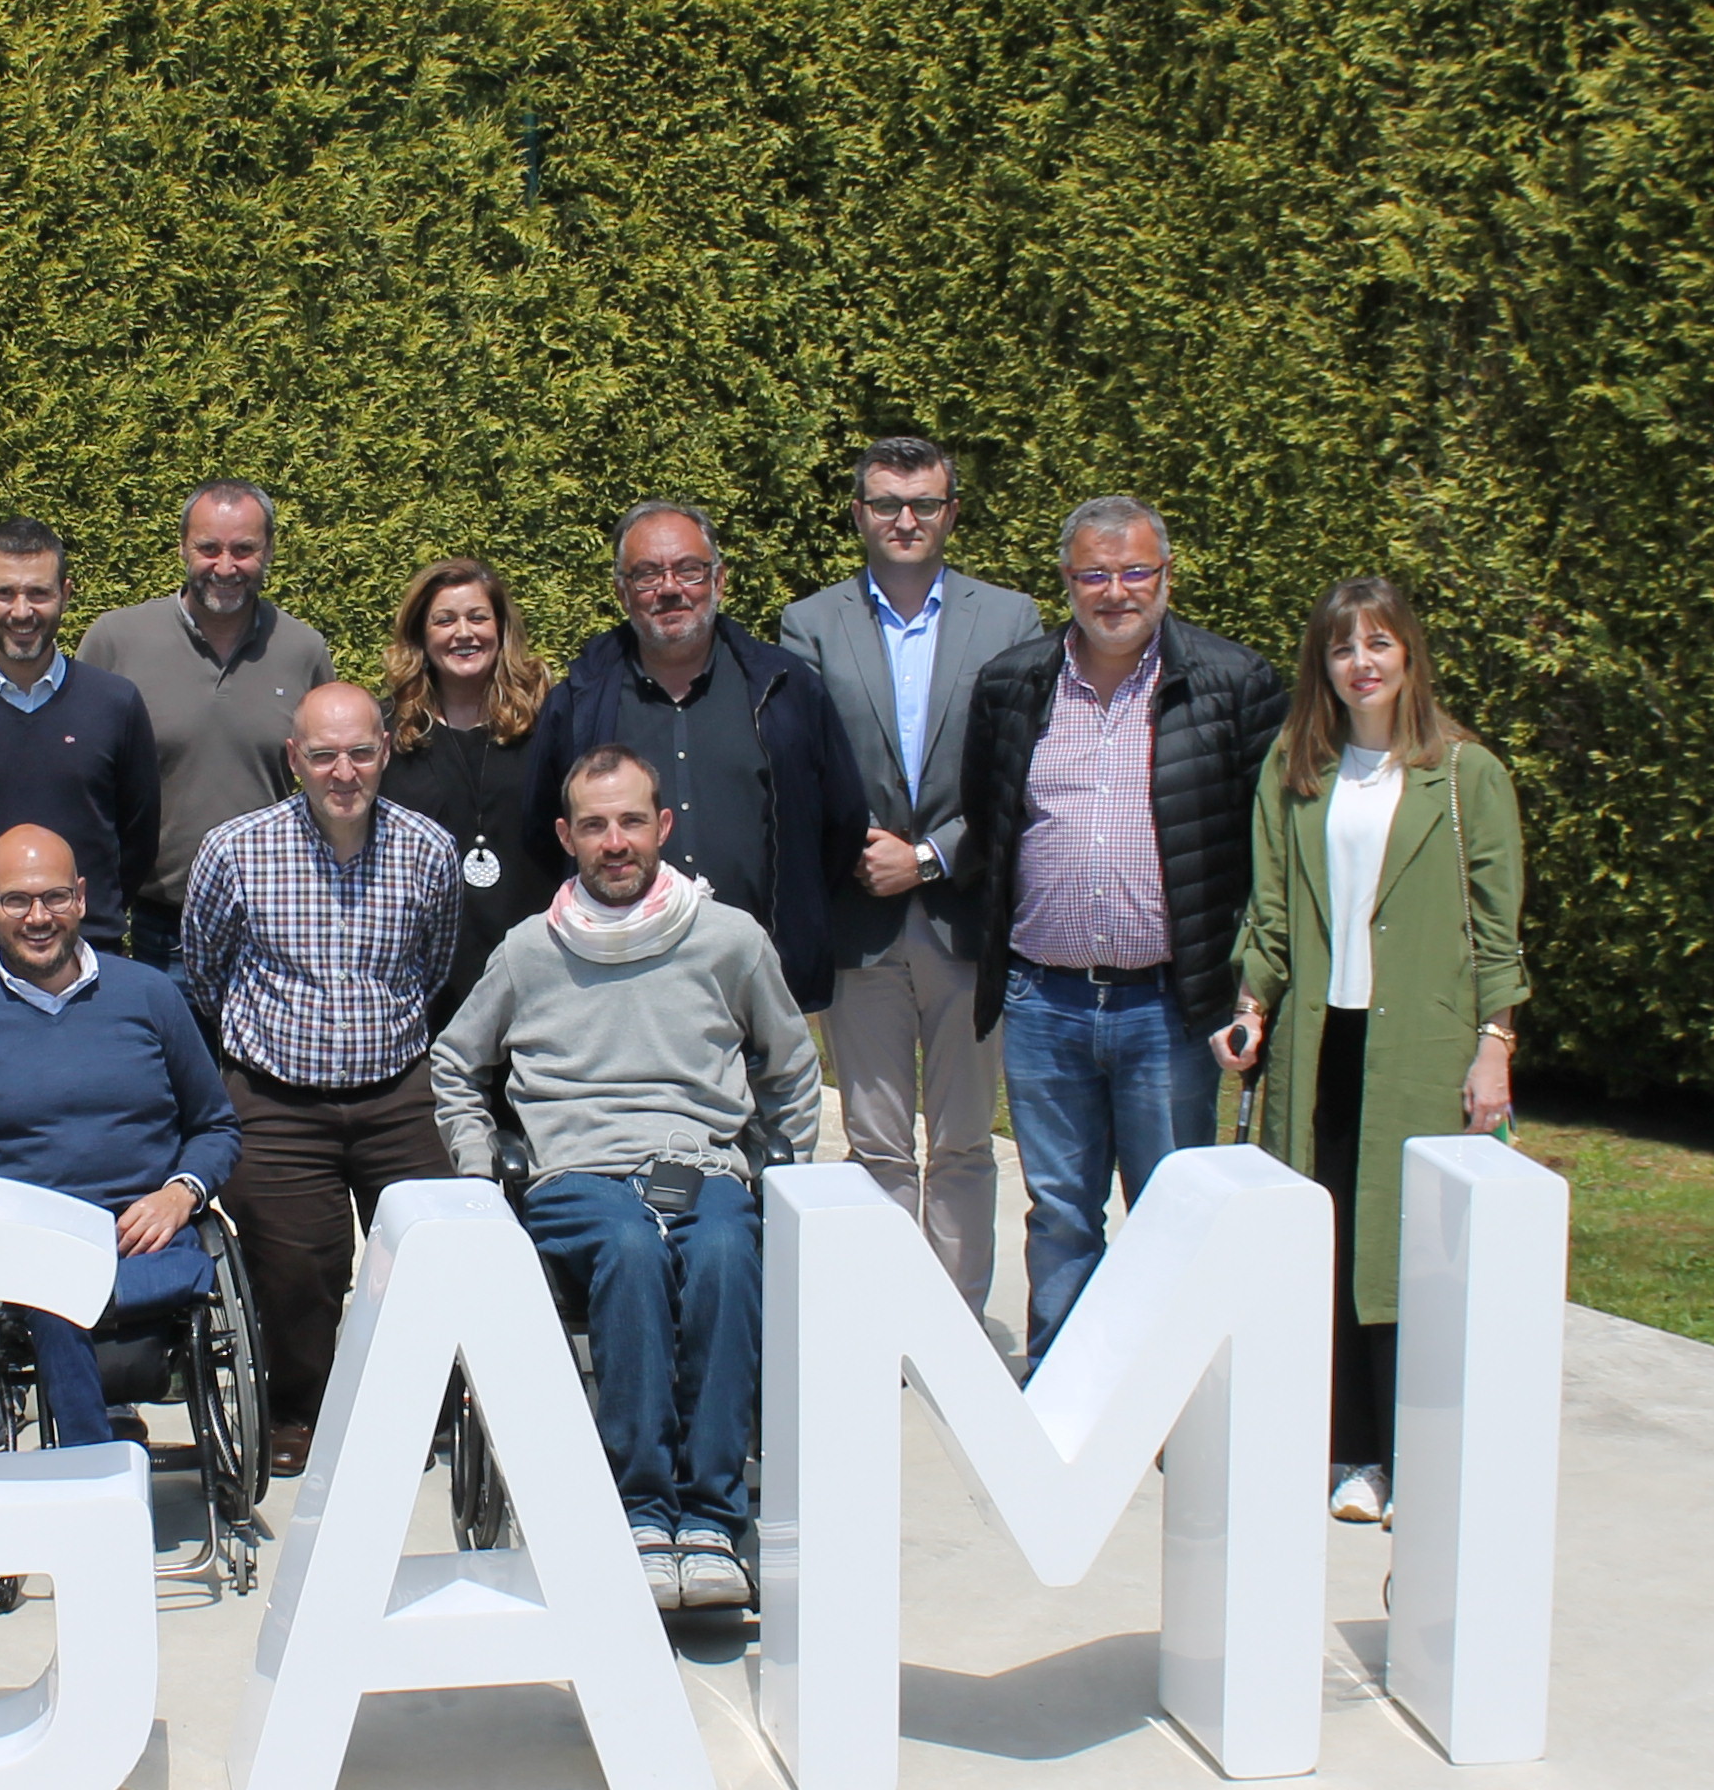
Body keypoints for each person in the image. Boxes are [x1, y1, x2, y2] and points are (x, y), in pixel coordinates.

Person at [430, 748, 824, 1615]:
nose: (616, 842)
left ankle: (711, 1518)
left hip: (697, 1163)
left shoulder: (729, 940)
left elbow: (792, 1066)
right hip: (578, 1173)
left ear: (663, 827)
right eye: (596, 825)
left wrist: (781, 1167)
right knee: (631, 1249)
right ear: (567, 836)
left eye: (632, 821)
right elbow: (456, 1063)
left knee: (724, 1250)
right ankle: (642, 1511)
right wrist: (478, 1167)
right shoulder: (530, 951)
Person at [1215, 577, 1526, 1526]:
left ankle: (1419, 1456)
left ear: (1409, 654)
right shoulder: (1296, 768)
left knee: (1412, 1256)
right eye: (1344, 647)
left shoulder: (1465, 773)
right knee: (1334, 1245)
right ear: (1324, 664)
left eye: (1379, 644)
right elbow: (1270, 911)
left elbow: (1497, 927)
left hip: (1421, 1048)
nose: (1362, 664)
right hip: (1321, 1044)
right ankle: (1354, 1455)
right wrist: (1251, 1007)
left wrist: (1496, 1045)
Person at [957, 494, 1293, 1365]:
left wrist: (1249, 990)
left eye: (1136, 571)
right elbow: (990, 826)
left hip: (1170, 1007)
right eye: (1095, 575)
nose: (1116, 592)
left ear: (1167, 576)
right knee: (1061, 1212)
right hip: (1046, 1000)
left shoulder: (1235, 684)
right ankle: (1063, 1390)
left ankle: (1168, 1391)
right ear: (1066, 581)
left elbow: (1267, 852)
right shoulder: (1012, 685)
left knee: (1173, 1211)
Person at [779, 438, 1040, 1319]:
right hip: (860, 915)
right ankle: (886, 1327)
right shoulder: (811, 623)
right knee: (878, 1144)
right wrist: (863, 847)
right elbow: (804, 761)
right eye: (887, 503)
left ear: (950, 513)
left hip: (966, 913)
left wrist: (929, 856)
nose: (905, 519)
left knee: (963, 1142)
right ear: (858, 513)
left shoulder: (1009, 619)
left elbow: (1020, 770)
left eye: (924, 503)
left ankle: (952, 1330)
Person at [182, 683, 460, 1479]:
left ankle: (414, 1406)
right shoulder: (235, 850)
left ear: (385, 752)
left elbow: (434, 963)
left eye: (361, 753)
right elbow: (205, 969)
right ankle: (299, 1410)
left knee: (424, 1255)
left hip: (396, 1089)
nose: (344, 772)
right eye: (325, 755)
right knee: (296, 1271)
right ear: (294, 760)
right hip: (277, 1095)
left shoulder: (428, 849)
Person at [0, 825, 242, 1452]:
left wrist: (180, 1194)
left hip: (145, 1236)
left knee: (82, 1290)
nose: (38, 917)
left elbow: (215, 1125)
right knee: (51, 1290)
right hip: (23, 1251)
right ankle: (94, 1457)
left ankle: (96, 1446)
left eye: (54, 897)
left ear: (81, 897)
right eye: (16, 900)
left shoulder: (149, 996)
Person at [523, 501, 870, 1019]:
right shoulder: (578, 702)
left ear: (718, 580)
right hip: (618, 985)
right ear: (622, 592)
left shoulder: (787, 690)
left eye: (689, 570)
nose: (669, 588)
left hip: (759, 982)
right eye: (647, 575)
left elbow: (840, 822)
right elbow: (543, 833)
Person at [75, 481, 336, 968]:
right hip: (158, 930)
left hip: (275, 927)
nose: (225, 567)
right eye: (209, 548)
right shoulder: (117, 641)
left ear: (269, 552)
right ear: (183, 548)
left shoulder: (303, 650)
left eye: (244, 550)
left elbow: (330, 780)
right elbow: (79, 779)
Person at [0, 514, 162, 951]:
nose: (21, 612)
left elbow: (138, 838)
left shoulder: (116, 704)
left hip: (88, 953)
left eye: (38, 593)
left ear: (65, 594)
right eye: (4, 593)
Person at [377, 555, 551, 1030]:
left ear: (501, 628)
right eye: (444, 620)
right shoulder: (389, 734)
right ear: (421, 633)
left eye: (478, 617)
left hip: (535, 970)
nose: (463, 633)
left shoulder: (548, 725)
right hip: (428, 980)